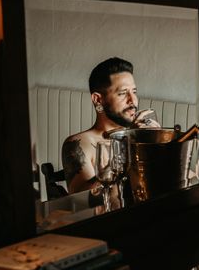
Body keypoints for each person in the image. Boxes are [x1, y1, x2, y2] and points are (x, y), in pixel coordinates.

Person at [61, 57, 160, 193]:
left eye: (134, 92)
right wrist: (129, 145)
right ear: (98, 99)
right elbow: (81, 200)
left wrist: (160, 146)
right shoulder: (79, 143)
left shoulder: (141, 136)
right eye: (123, 93)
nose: (133, 101)